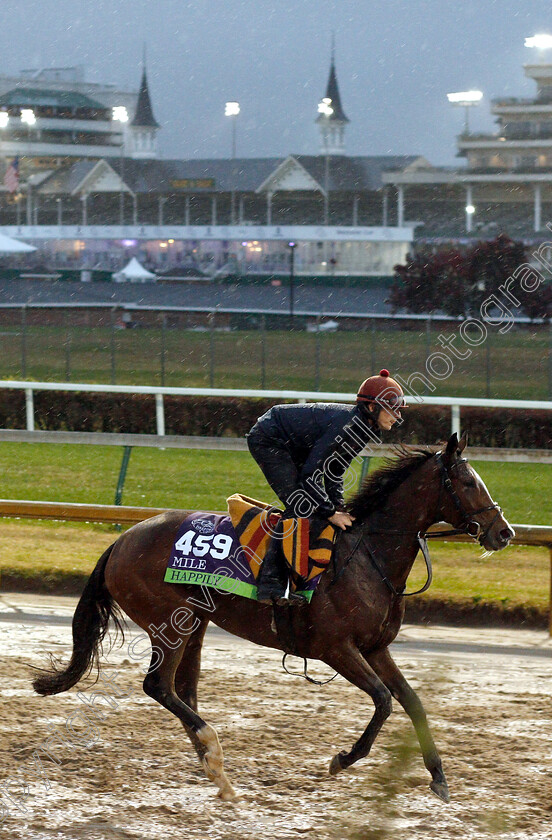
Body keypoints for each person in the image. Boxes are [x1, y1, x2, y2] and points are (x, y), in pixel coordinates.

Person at [246, 369, 405, 605]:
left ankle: (296, 577)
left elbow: (335, 471)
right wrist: (330, 512)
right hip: (270, 438)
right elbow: (310, 476)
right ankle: (270, 586)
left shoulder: (364, 428)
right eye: (394, 409)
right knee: (300, 507)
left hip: (294, 442)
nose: (398, 416)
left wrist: (339, 508)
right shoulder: (349, 426)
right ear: (372, 408)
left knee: (313, 507)